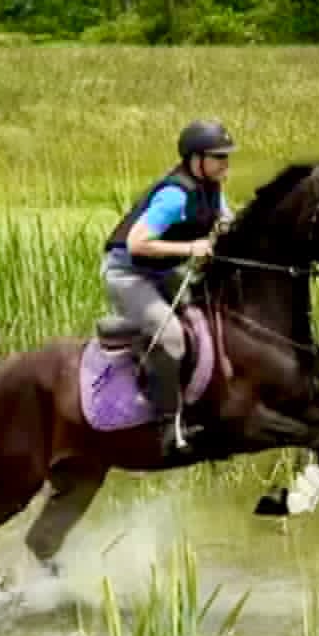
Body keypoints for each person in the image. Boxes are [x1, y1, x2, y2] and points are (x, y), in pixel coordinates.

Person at [101, 118, 236, 459]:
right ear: (196, 159)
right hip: (128, 275)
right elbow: (137, 243)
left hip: (162, 273)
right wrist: (191, 248)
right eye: (219, 157)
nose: (225, 164)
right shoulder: (174, 196)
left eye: (227, 157)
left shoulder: (212, 188)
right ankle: (165, 426)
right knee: (172, 336)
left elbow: (227, 224)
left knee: (207, 322)